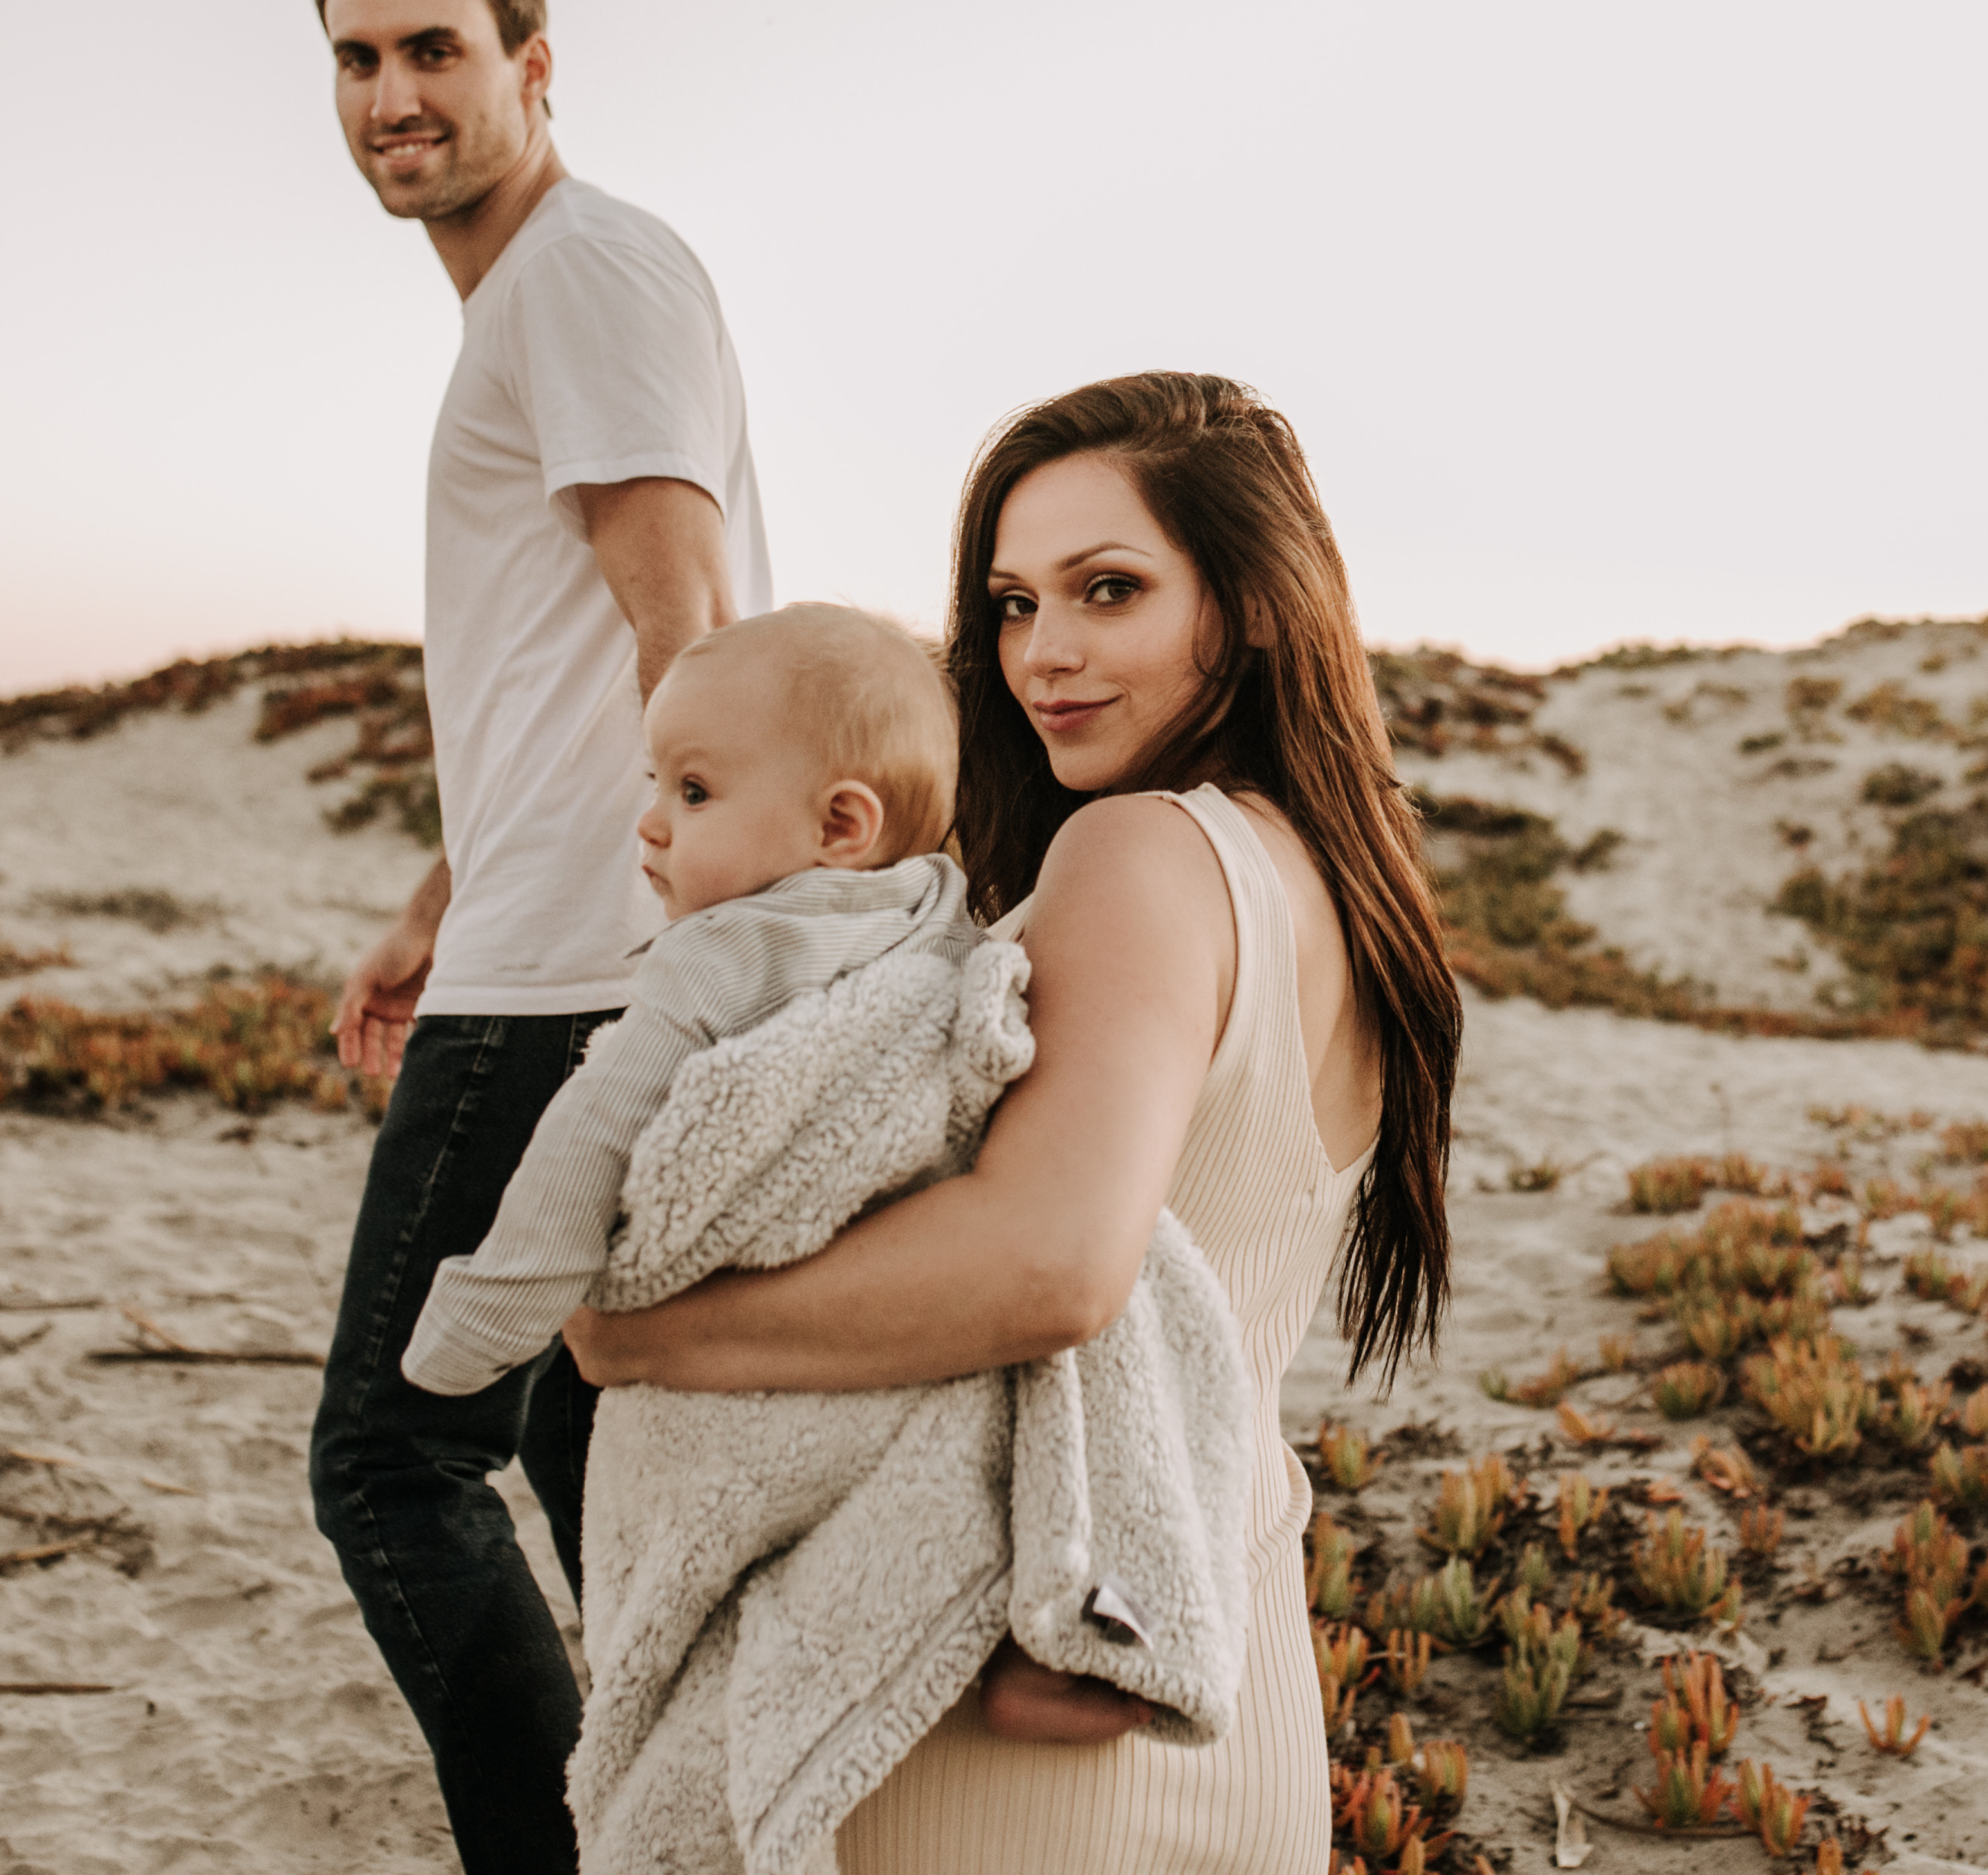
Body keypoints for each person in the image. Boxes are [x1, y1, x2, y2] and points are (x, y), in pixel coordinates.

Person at [565, 370, 1463, 1871]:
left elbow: (1052, 1260)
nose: (1045, 655)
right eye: (1012, 604)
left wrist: (632, 1336)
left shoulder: (1142, 852)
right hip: (1206, 1658)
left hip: (1019, 1722)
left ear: (1245, 606)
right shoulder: (1325, 880)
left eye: (1108, 591)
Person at [302, 0, 771, 1875]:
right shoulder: (538, 300)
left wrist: (681, 945)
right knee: (598, 1453)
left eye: (432, 50)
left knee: (395, 1460)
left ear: (533, 66)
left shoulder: (582, 271)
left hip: (581, 973)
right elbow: (563, 678)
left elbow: (687, 622)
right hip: (550, 935)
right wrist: (441, 892)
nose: (392, 95)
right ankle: (685, 1828)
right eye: (356, 59)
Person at [397, 603, 975, 1396]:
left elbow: (593, 1134)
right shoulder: (949, 922)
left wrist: (486, 1319)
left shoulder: (720, 955)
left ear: (841, 825)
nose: (651, 823)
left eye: (694, 792)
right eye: (657, 785)